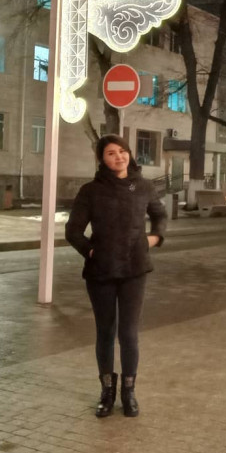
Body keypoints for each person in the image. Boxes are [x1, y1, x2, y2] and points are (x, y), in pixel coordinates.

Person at [66, 134, 167, 418]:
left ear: (129, 154)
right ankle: (107, 391)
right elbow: (73, 230)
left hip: (135, 269)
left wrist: (154, 238)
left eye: (122, 151)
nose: (119, 157)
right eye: (111, 153)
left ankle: (129, 392)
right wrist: (90, 251)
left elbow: (160, 215)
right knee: (106, 332)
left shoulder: (143, 186)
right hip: (101, 271)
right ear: (102, 159)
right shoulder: (91, 190)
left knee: (129, 333)